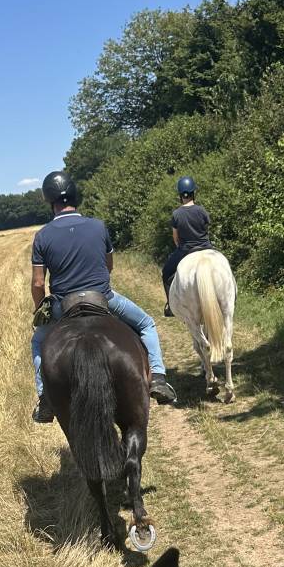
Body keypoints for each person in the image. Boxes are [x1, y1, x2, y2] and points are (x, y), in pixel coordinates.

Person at [31, 171, 177, 422]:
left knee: (37, 341)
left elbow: (37, 283)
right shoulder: (98, 226)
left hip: (63, 305)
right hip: (102, 297)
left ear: (49, 201)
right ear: (74, 196)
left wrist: (39, 310)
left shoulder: (42, 236)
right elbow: (109, 266)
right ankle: (159, 378)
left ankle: (45, 399)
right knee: (146, 324)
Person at [161, 175, 211, 316]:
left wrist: (180, 245)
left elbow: (176, 238)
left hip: (186, 250)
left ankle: (171, 306)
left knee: (166, 273)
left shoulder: (176, 214)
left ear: (180, 195)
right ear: (193, 192)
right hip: (206, 247)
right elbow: (206, 229)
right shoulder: (202, 210)